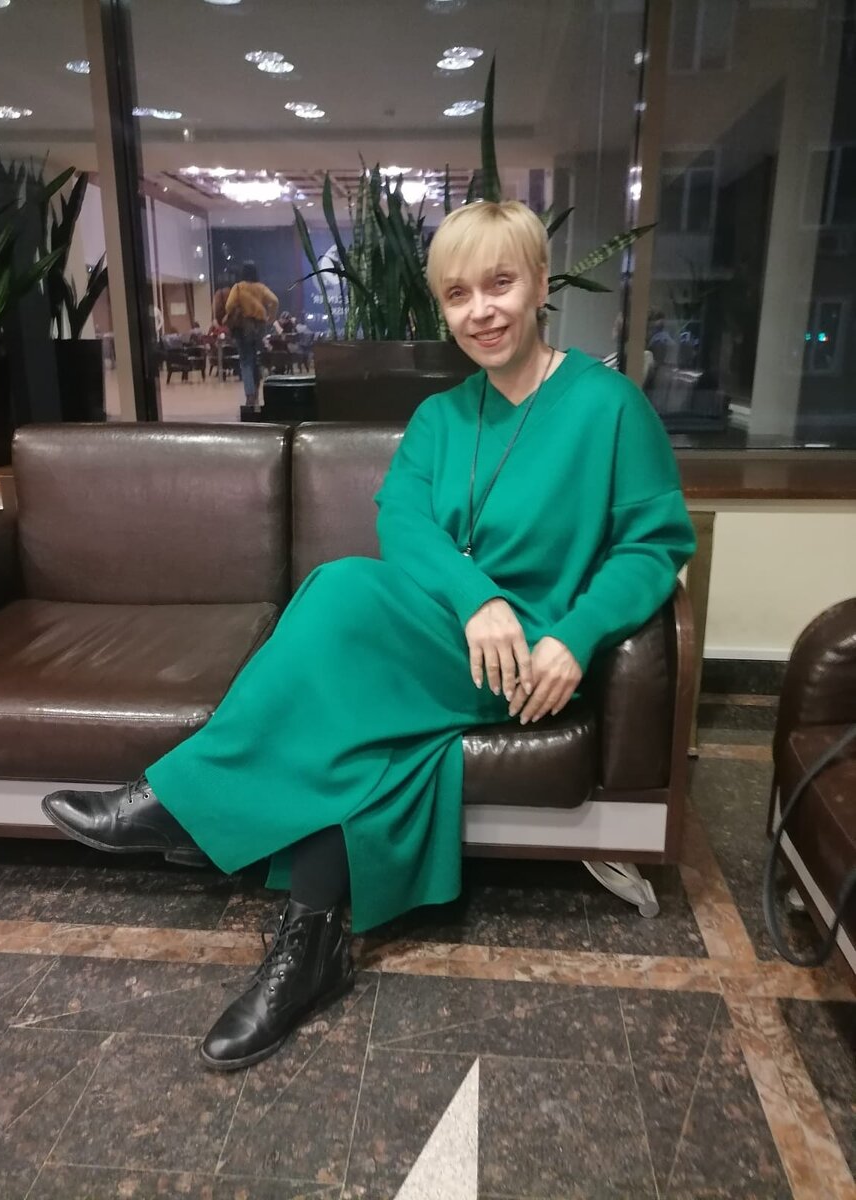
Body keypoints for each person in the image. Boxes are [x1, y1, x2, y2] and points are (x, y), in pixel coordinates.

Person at [40, 200, 696, 1073]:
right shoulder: (441, 417)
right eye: (458, 294)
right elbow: (404, 521)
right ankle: (311, 947)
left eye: (500, 284)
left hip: (527, 658)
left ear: (541, 284)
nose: (481, 311)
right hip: (448, 631)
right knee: (355, 691)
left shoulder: (608, 406)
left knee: (342, 591)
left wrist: (574, 637)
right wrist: (475, 598)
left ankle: (184, 803)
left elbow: (655, 545)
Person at [223, 262, 279, 408]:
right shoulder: (261, 288)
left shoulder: (238, 287)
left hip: (244, 327)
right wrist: (271, 317)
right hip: (259, 327)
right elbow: (274, 300)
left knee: (245, 361)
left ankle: (250, 395)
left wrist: (237, 310)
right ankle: (255, 392)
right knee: (255, 360)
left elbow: (229, 306)